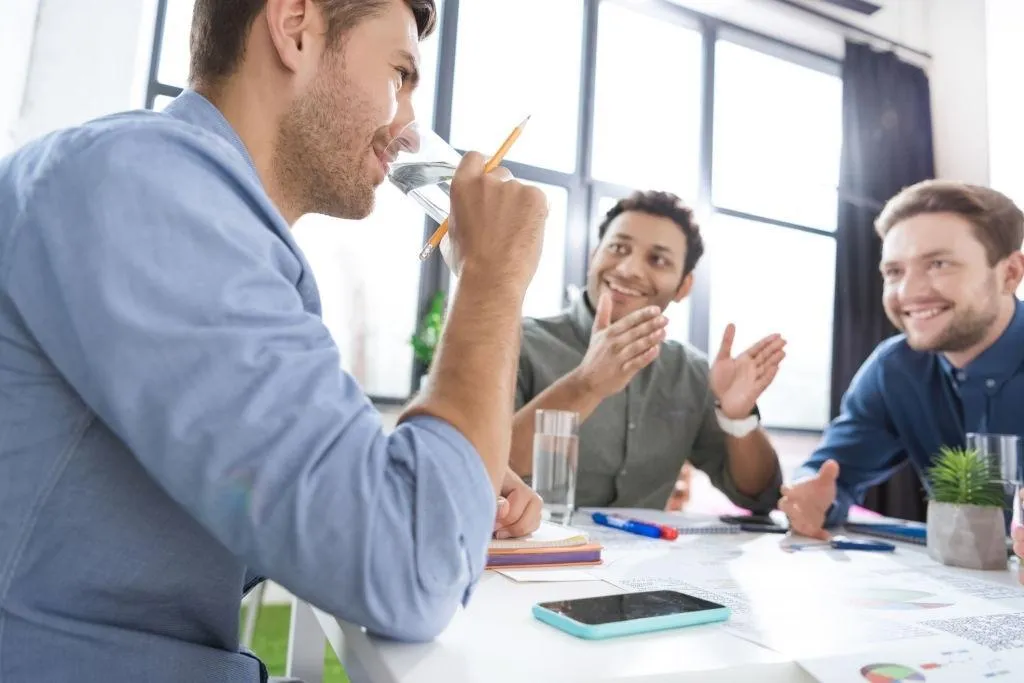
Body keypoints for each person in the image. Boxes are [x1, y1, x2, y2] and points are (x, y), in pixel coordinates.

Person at [0, 0, 547, 680]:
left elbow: (288, 513)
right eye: (400, 73)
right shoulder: (145, 184)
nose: (407, 125)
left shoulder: (203, 219)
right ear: (294, 27)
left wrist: (440, 483)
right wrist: (492, 278)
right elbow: (408, 567)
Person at [509, 190, 785, 513]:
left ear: (683, 288)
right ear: (594, 255)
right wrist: (586, 384)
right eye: (618, 248)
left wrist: (738, 419)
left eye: (658, 260)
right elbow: (474, 465)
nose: (629, 269)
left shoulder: (690, 371)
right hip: (529, 558)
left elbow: (760, 494)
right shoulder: (519, 343)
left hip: (646, 559)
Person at [782, 180, 1024, 539]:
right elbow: (832, 473)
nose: (908, 293)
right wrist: (811, 496)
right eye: (894, 272)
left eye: (939, 264)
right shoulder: (894, 370)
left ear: (1009, 274)